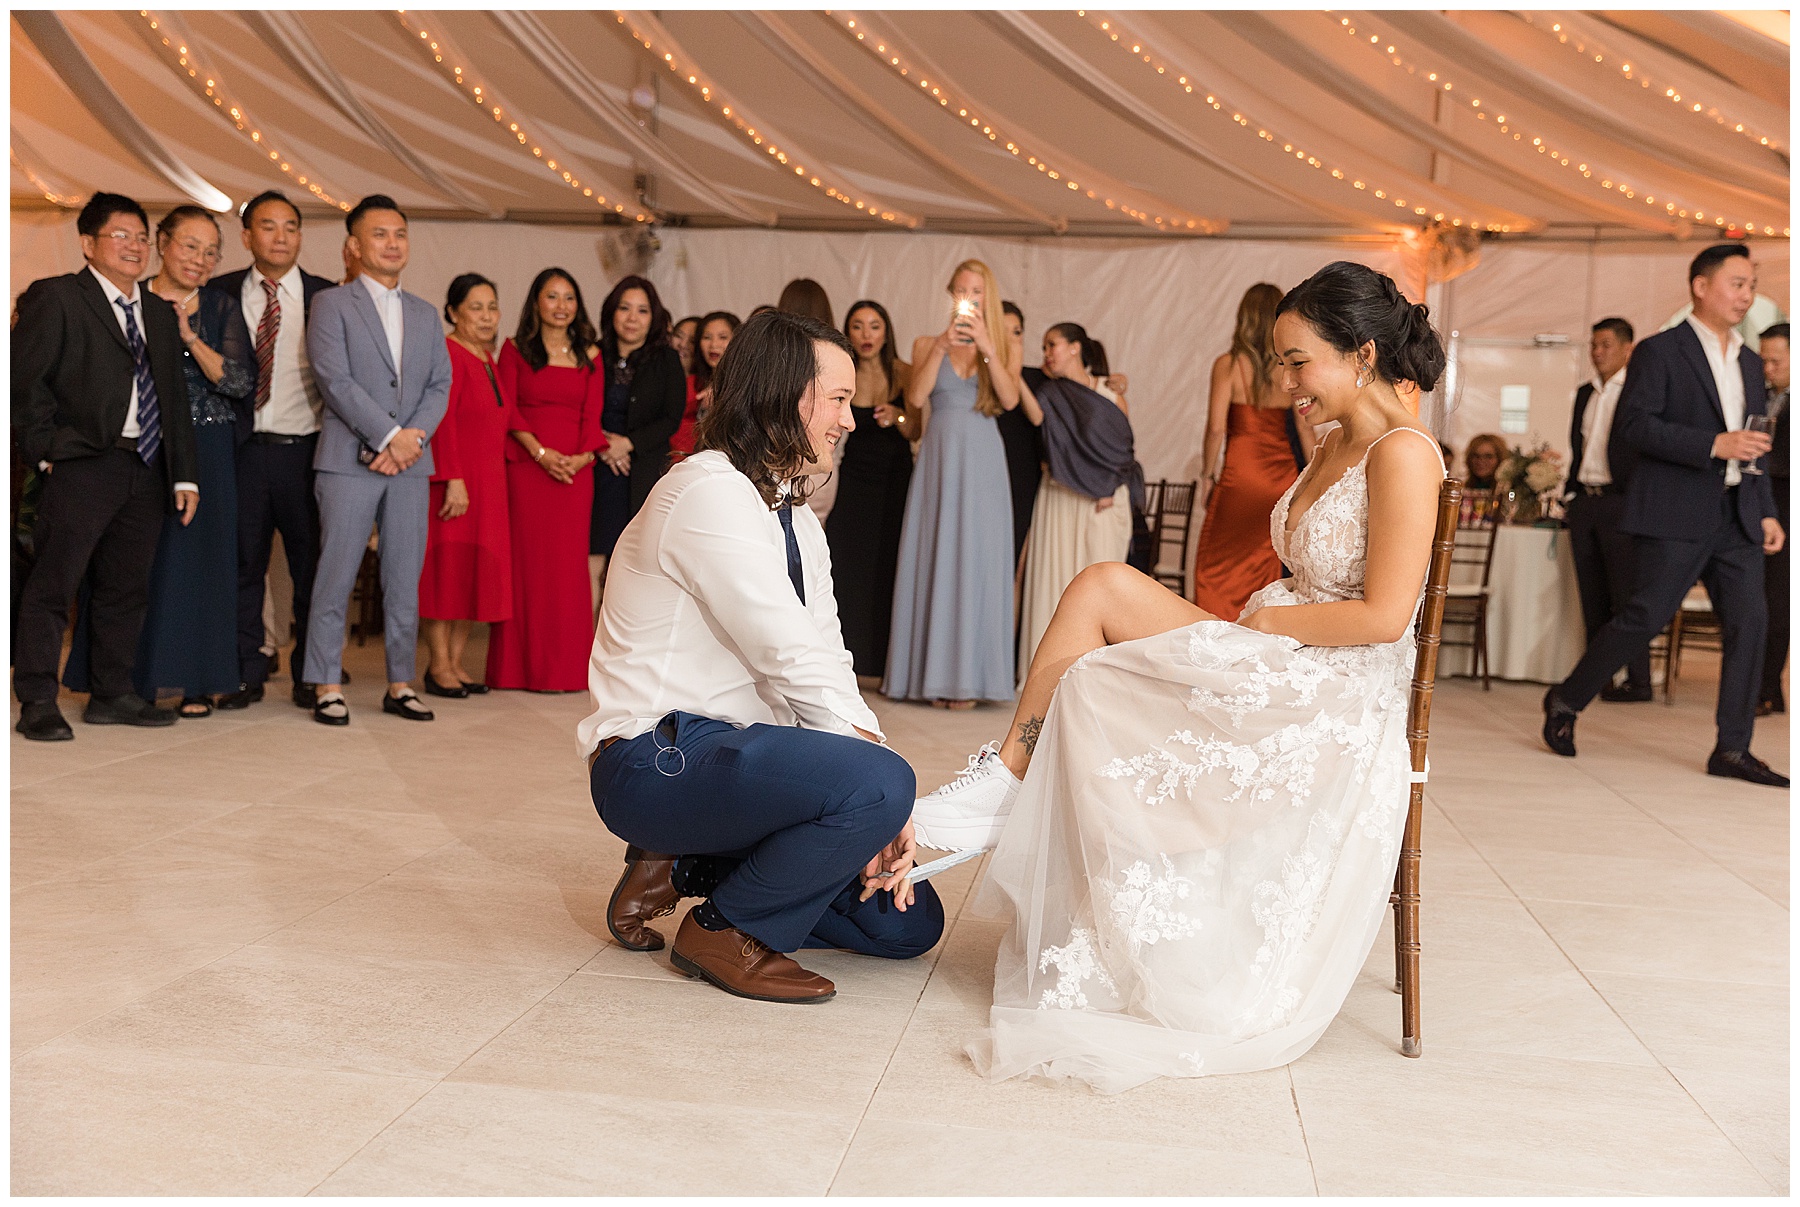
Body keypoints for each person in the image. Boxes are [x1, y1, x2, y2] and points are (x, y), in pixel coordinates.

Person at [911, 260, 1449, 1091]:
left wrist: (1273, 624)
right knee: (1095, 602)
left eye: (1298, 361)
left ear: (1363, 354)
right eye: (1280, 362)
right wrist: (1266, 620)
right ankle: (1007, 778)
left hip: (1331, 684)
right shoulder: (1333, 438)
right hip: (1281, 641)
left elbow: (1385, 616)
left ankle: (1009, 788)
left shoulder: (1405, 451)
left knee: (1096, 656)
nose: (1284, 382)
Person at [585, 309, 941, 1003]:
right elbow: (785, 656)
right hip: (651, 760)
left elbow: (829, 657)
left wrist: (871, 802)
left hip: (739, 759)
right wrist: (880, 793)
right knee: (879, 783)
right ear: (784, 396)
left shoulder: (795, 515)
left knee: (908, 925)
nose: (850, 419)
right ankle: (724, 929)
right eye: (837, 399)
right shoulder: (706, 491)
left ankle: (682, 868)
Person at [1543, 244, 1786, 786]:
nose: (1747, 295)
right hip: (1675, 512)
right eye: (1738, 284)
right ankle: (1566, 698)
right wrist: (1712, 444)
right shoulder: (1659, 351)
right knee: (1642, 619)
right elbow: (1634, 427)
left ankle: (1732, 748)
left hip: (1737, 515)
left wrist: (1766, 510)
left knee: (1751, 624)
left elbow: (1755, 444)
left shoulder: (1749, 361)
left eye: (1751, 285)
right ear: (1701, 286)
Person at [13, 192, 200, 739]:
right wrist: (46, 451)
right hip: (80, 464)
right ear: (89, 244)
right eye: (121, 236)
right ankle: (38, 701)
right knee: (53, 585)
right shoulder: (58, 297)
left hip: (144, 466)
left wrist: (183, 473)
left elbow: (173, 400)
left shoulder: (160, 316)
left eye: (141, 237)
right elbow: (24, 383)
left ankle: (111, 692)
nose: (134, 246)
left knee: (126, 586)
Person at [66, 205, 253, 717]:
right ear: (163, 244)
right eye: (190, 245)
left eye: (211, 251)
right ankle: (129, 682)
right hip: (145, 444)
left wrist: (188, 337)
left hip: (210, 447)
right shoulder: (130, 298)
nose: (200, 259)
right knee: (137, 568)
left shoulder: (220, 307)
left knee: (202, 567)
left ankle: (196, 681)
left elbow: (239, 383)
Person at [301, 194, 452, 726]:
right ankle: (324, 682)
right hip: (347, 460)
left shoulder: (426, 313)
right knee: (336, 573)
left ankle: (400, 682)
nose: (392, 243)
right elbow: (333, 379)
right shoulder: (331, 304)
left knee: (403, 576)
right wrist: (389, 435)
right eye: (380, 234)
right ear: (354, 246)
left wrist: (409, 440)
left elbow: (439, 385)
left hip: (411, 464)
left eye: (400, 234)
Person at [211, 190, 336, 711]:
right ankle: (246, 671)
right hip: (242, 448)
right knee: (243, 564)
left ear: (301, 236)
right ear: (247, 236)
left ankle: (312, 672)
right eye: (268, 226)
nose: (280, 236)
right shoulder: (217, 293)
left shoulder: (327, 297)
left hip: (306, 451)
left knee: (313, 566)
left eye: (290, 226)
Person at [885, 259, 1022, 708]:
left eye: (977, 291)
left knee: (978, 563)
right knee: (935, 557)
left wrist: (986, 346)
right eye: (962, 290)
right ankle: (931, 678)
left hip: (984, 464)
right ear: (951, 295)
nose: (969, 297)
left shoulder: (1003, 345)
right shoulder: (927, 342)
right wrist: (943, 346)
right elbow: (917, 398)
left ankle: (971, 681)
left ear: (989, 297)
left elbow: (1008, 398)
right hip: (938, 462)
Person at [487, 269, 608, 692]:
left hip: (576, 474)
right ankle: (518, 670)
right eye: (552, 296)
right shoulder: (515, 350)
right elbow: (508, 409)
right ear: (536, 302)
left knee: (568, 573)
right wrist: (540, 453)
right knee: (528, 570)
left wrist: (580, 458)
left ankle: (566, 671)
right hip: (527, 469)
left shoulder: (591, 354)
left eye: (569, 297)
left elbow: (593, 416)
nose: (561, 306)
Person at [1016, 323, 1141, 674]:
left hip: (1103, 502)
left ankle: (1098, 675)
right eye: (1043, 346)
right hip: (1061, 497)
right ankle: (1047, 673)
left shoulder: (1111, 393)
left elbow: (1123, 451)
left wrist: (1107, 485)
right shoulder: (1047, 391)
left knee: (1101, 586)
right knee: (1054, 585)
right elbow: (1036, 416)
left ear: (1075, 348)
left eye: (1052, 344)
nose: (1046, 353)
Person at [1191, 283, 1316, 619]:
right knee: (1266, 560)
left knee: (1214, 562)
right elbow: (1305, 426)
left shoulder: (1228, 365)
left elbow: (1216, 427)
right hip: (1280, 478)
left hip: (1239, 476)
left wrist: (1206, 475)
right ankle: (1254, 628)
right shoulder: (1288, 368)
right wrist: (1316, 474)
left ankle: (1215, 627)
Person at [418, 273, 513, 697]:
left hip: (489, 482)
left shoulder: (486, 357)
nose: (487, 315)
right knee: (447, 574)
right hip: (456, 481)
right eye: (476, 307)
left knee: (474, 575)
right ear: (453, 311)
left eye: (492, 306)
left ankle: (456, 664)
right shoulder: (450, 354)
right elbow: (442, 422)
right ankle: (438, 666)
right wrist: (452, 478)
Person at [1563, 317, 1651, 703]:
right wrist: (1570, 497)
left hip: (1622, 502)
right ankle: (1599, 677)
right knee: (1592, 594)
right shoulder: (1585, 393)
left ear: (1628, 348)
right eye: (1593, 345)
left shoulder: (1639, 393)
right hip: (1586, 501)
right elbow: (1579, 450)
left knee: (1628, 595)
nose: (1597, 353)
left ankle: (1639, 679)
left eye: (1606, 345)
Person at [825, 300, 914, 678]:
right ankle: (849, 662)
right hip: (855, 480)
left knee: (889, 566)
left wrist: (898, 416)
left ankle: (884, 663)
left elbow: (917, 429)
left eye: (874, 326)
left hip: (896, 480)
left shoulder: (903, 372)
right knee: (846, 567)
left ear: (886, 331)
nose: (866, 335)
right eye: (858, 326)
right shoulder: (844, 371)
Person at [589, 275, 686, 601]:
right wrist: (604, 444)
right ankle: (586, 643)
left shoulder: (666, 360)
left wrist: (627, 444)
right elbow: (577, 408)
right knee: (590, 560)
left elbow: (671, 418)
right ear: (611, 313)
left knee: (630, 562)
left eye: (642, 311)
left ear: (653, 317)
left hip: (642, 470)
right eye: (624, 308)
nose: (632, 318)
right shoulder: (592, 355)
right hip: (594, 468)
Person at [997, 302, 1045, 569]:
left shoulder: (1036, 377)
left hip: (1023, 478)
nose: (1011, 339)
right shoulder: (978, 375)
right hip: (989, 472)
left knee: (1016, 560)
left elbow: (1037, 416)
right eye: (1003, 331)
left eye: (1017, 332)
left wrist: (1014, 373)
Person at [1758, 322, 1789, 715]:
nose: (1767, 367)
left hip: (1788, 504)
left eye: (1775, 361)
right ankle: (1765, 687)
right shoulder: (1761, 397)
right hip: (1759, 502)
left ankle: (1767, 687)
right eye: (1762, 359)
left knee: (1778, 603)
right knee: (1757, 601)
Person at [667, 314, 702, 460]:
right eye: (678, 336)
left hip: (691, 458)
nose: (683, 344)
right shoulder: (659, 376)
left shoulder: (704, 383)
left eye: (692, 341)